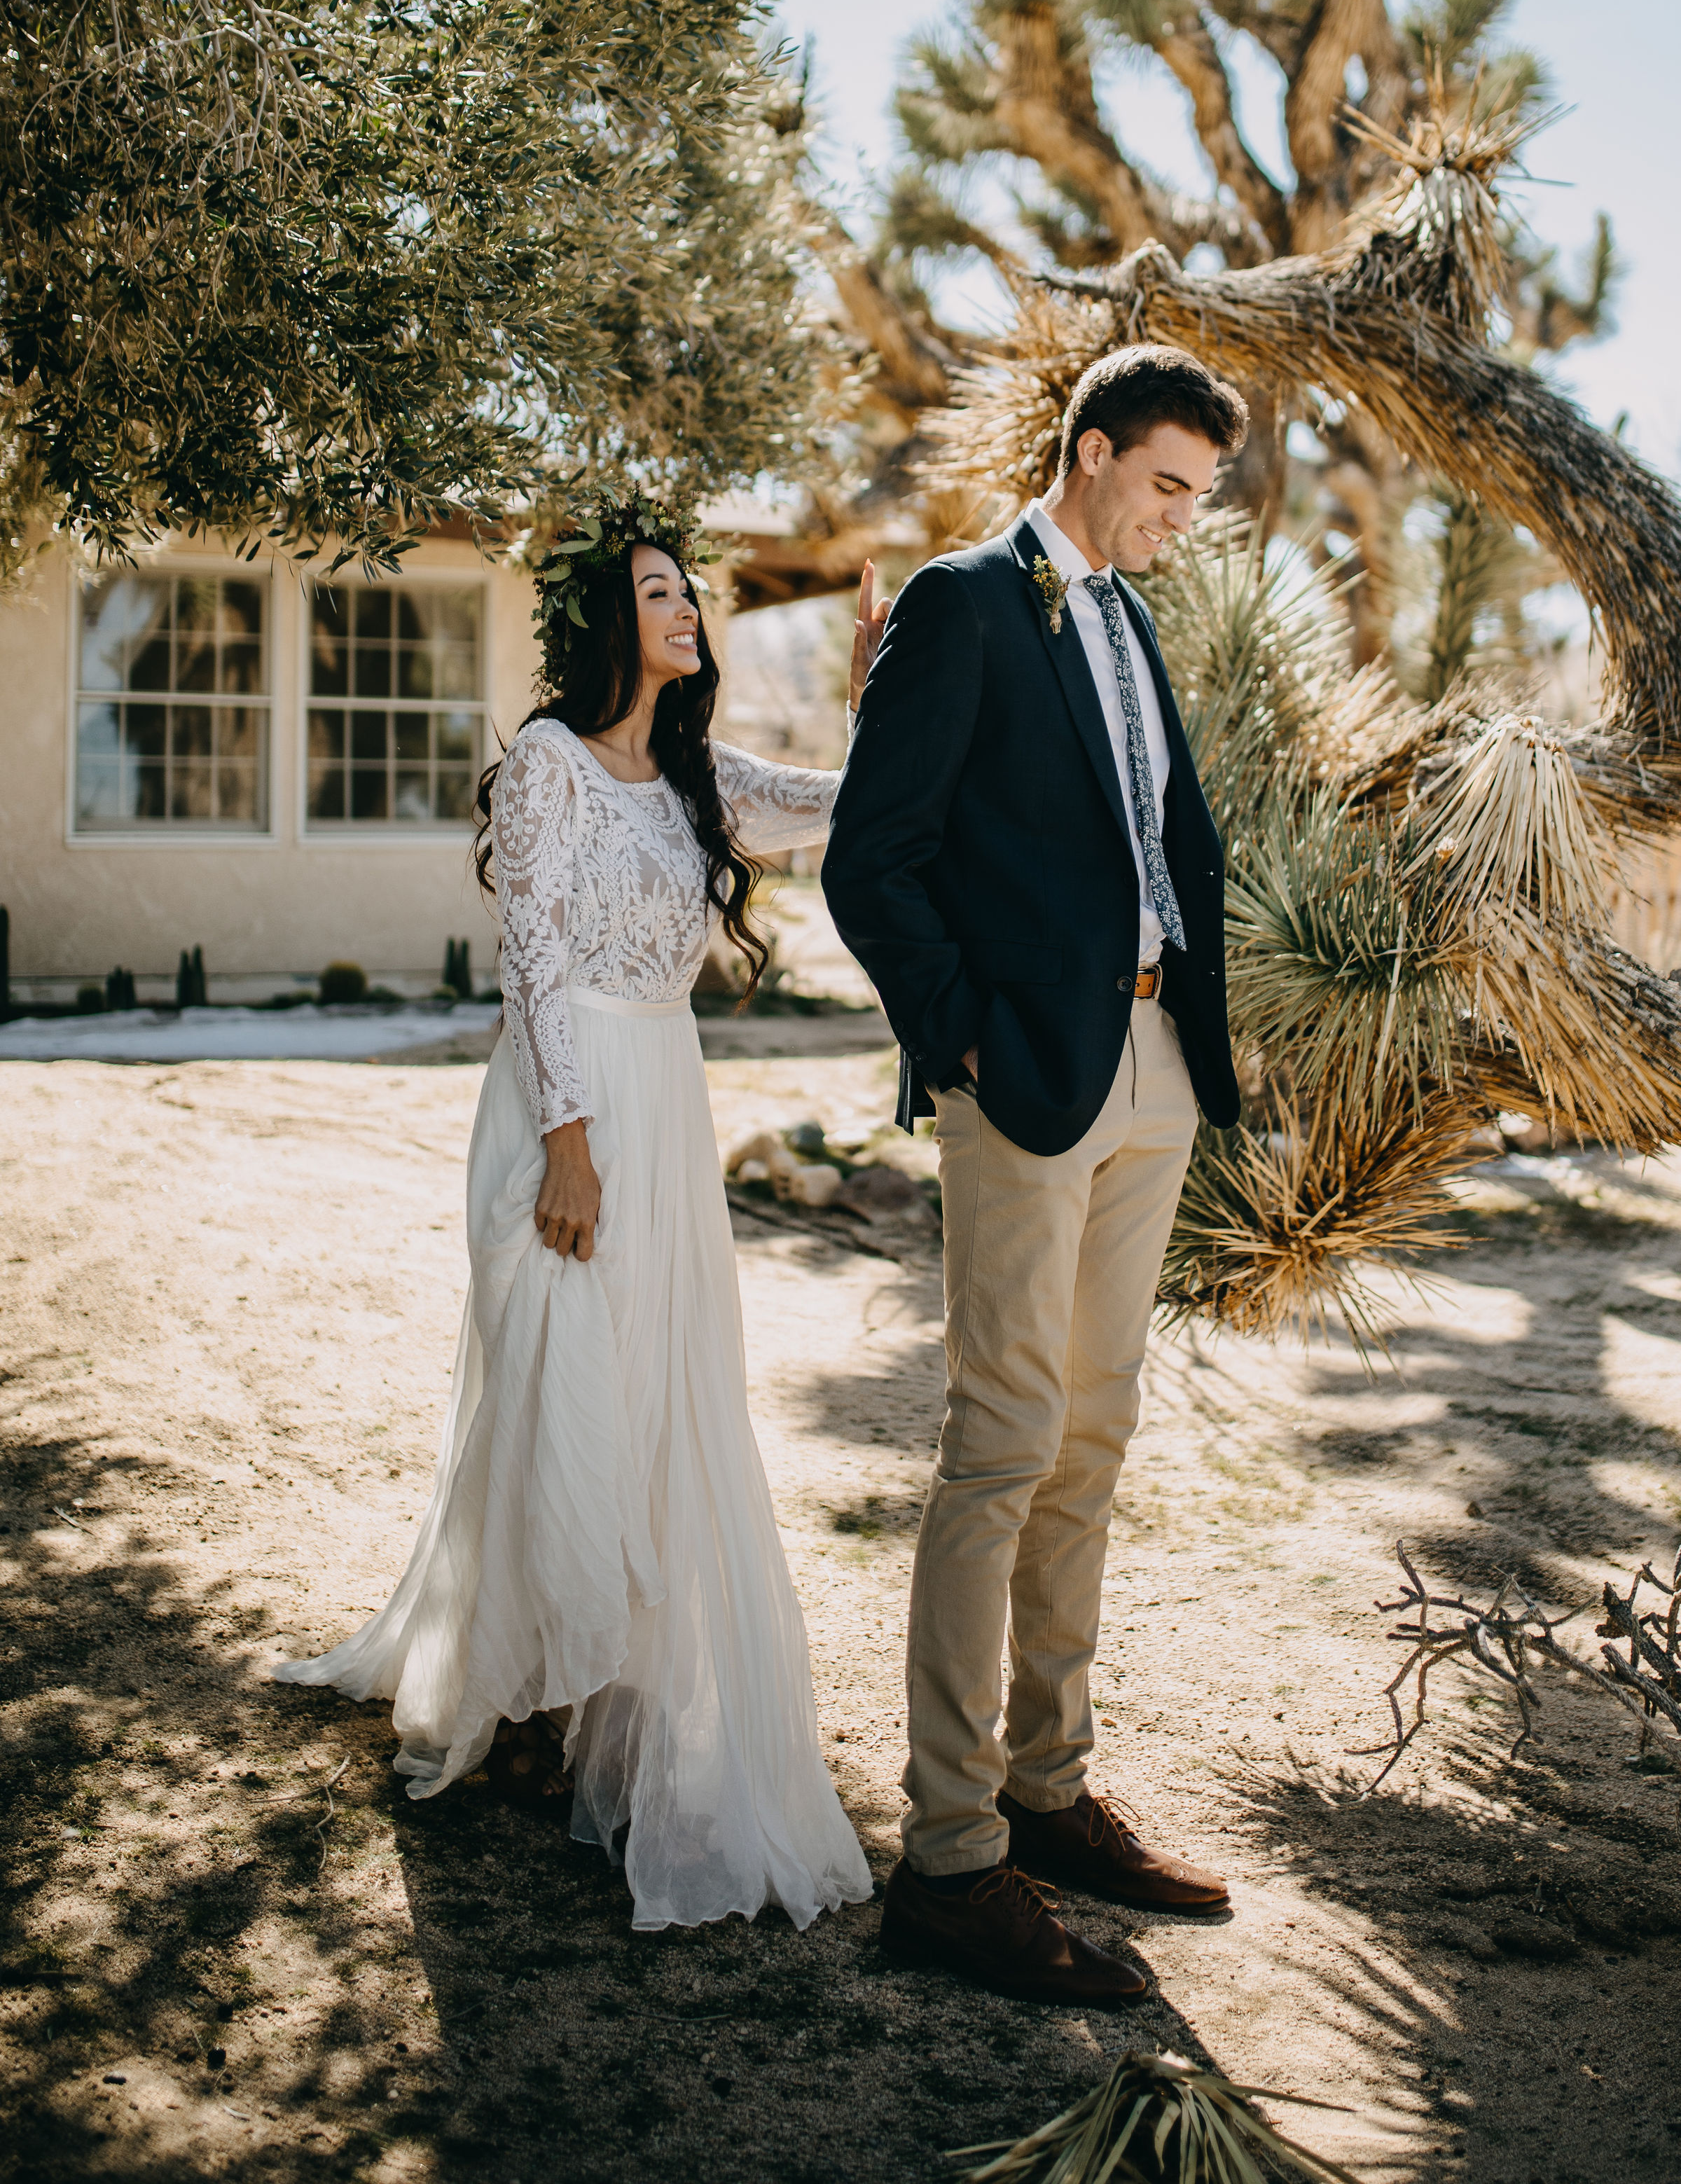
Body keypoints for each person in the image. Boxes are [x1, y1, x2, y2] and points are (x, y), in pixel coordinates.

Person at [277, 491, 872, 1935]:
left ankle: (602, 1679)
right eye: (662, 594)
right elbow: (528, 952)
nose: (687, 614)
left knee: (655, 1393)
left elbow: (838, 809)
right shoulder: (547, 759)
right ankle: (527, 1688)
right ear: (615, 620)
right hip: (568, 1102)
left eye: (693, 598)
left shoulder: (692, 775)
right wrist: (566, 1143)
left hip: (666, 1092)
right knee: (560, 1386)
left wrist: (880, 693)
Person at [822, 343, 1250, 2005]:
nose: (1178, 521)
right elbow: (878, 854)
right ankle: (947, 1861)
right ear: (1086, 451)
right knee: (1001, 1446)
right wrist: (966, 1040)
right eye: (1163, 486)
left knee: (1095, 1433)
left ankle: (1048, 1791)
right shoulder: (965, 602)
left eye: (1198, 500)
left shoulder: (1133, 622)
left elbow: (1164, 844)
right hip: (1029, 1078)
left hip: (1154, 1075)